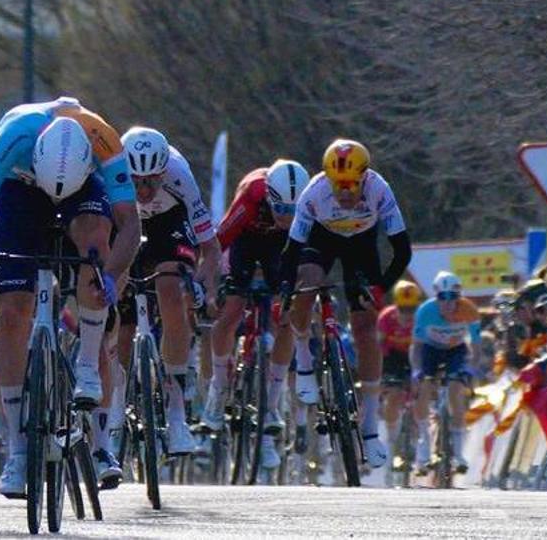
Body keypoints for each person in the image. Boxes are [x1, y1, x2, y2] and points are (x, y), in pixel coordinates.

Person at [0, 98, 141, 499]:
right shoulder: (13, 138)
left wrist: (108, 275)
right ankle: (19, 450)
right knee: (12, 311)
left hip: (83, 191)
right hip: (22, 188)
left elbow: (130, 225)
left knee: (95, 246)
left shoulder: (104, 140)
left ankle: (88, 370)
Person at [279, 138, 412, 470]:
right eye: (338, 184)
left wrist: (381, 287)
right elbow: (291, 251)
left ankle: (370, 427)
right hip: (320, 239)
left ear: (364, 178)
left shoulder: (380, 190)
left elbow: (402, 250)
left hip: (361, 244)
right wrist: (287, 289)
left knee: (366, 327)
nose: (345, 192)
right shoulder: (314, 193)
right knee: (306, 283)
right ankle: (304, 359)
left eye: (352, 184)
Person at [105, 126, 219, 473]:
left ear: (163, 171)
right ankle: (115, 403)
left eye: (151, 181)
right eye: (136, 182)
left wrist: (204, 285)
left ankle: (176, 411)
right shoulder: (109, 172)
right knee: (119, 315)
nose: (143, 190)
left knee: (171, 288)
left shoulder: (180, 175)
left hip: (168, 225)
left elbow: (210, 248)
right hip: (124, 222)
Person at [202, 159, 307, 459]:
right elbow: (217, 244)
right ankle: (218, 388)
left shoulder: (305, 207)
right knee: (232, 309)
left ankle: (272, 402)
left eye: (293, 210)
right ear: (269, 198)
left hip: (281, 246)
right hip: (245, 241)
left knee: (288, 315)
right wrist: (210, 287)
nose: (286, 216)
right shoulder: (251, 195)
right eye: (281, 209)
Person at [410, 271, 481, 473]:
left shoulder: (469, 310)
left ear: (459, 297)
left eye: (453, 297)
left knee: (455, 393)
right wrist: (416, 370)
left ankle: (458, 454)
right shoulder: (425, 311)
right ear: (436, 296)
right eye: (443, 297)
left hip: (456, 351)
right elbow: (416, 347)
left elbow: (476, 348)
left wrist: (470, 368)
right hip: (430, 350)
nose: (448, 303)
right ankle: (424, 445)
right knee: (423, 389)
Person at [377, 279, 424, 470]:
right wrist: (382, 376)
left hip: (416, 356)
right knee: (394, 395)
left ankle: (418, 441)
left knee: (420, 396)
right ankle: (391, 438)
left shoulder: (422, 317)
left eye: (411, 309)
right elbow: (379, 347)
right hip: (393, 358)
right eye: (403, 309)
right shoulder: (386, 317)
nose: (407, 314)